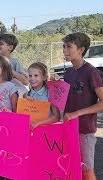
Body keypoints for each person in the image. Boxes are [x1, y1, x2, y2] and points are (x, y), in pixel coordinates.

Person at [62, 32, 103, 180]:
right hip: (68, 127)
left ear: (81, 49)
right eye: (64, 47)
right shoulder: (68, 72)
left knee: (86, 170)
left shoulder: (91, 72)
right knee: (71, 168)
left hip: (85, 130)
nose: (65, 50)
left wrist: (77, 113)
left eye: (69, 47)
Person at [24, 62, 60, 129]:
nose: (32, 78)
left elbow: (57, 117)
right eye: (30, 75)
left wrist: (38, 123)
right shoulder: (26, 95)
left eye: (36, 75)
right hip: (30, 132)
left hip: (46, 131)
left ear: (44, 77)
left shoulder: (50, 94)